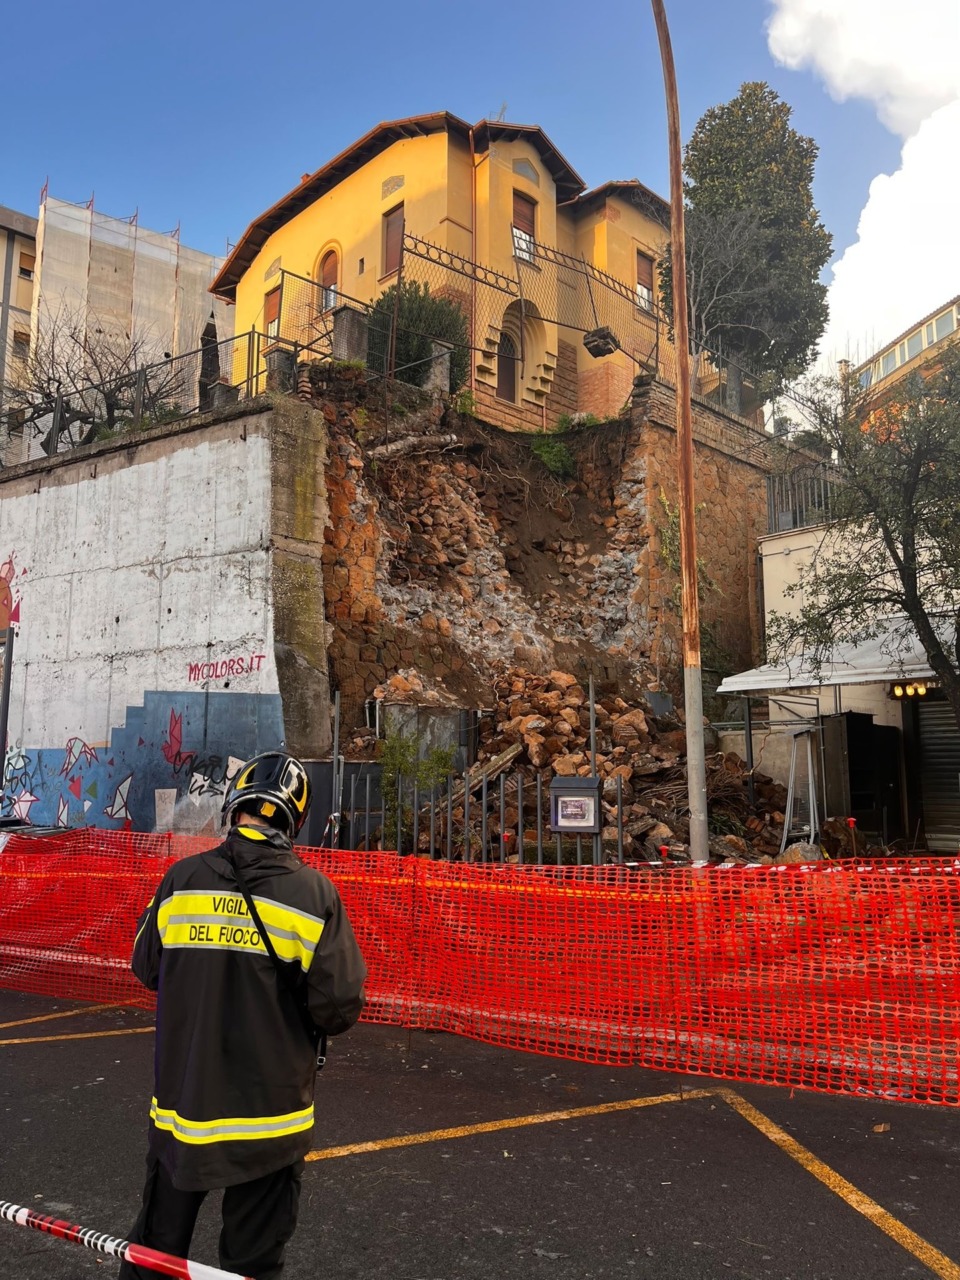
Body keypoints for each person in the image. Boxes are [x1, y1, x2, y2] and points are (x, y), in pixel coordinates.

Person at [120, 751, 367, 1280]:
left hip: (184, 1110)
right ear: (296, 818)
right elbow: (339, 1006)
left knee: (156, 1254)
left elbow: (146, 965)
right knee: (251, 1264)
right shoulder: (314, 894)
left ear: (236, 807)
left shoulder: (181, 880)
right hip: (269, 1121)